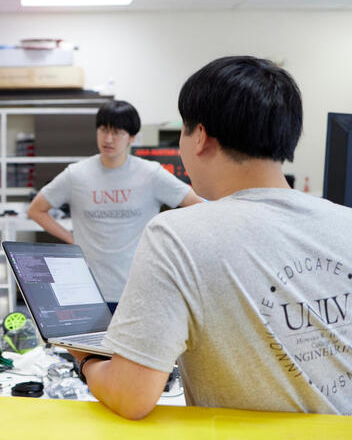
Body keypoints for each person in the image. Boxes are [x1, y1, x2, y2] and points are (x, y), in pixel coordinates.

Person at [73, 56, 352, 419]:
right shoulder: (345, 222)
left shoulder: (178, 235)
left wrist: (85, 357)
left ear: (200, 137)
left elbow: (131, 396)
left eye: (183, 133)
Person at [28, 100, 201, 308]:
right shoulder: (76, 174)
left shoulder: (150, 174)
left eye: (117, 132)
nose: (108, 139)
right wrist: (72, 240)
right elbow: (37, 209)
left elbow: (197, 205)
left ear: (132, 137)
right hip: (88, 287)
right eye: (103, 130)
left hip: (139, 287)